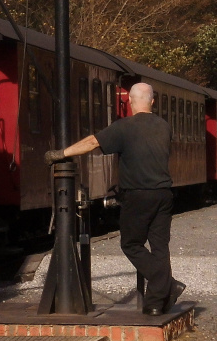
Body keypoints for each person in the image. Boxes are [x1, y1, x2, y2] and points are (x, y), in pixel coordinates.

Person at [46, 81, 185, 315]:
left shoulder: (124, 126)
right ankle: (154, 304)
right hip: (164, 194)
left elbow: (92, 142)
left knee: (131, 244)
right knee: (160, 246)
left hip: (137, 194)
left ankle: (165, 282)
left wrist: (61, 153)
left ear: (130, 101)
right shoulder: (164, 126)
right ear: (152, 101)